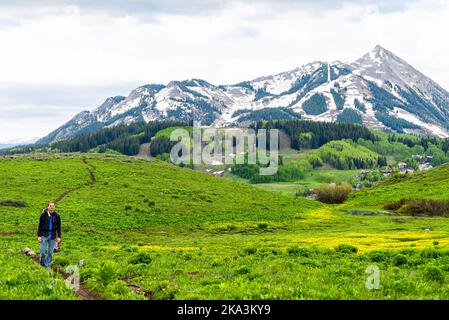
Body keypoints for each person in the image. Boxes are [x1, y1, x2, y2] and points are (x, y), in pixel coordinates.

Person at [37, 203, 62, 269]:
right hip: (44, 235)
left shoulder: (57, 216)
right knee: (43, 251)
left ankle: (47, 264)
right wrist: (39, 236)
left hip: (52, 236)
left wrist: (59, 236)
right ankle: (42, 263)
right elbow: (39, 226)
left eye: (53, 206)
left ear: (54, 207)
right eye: (50, 206)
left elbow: (59, 227)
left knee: (50, 252)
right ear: (48, 207)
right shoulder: (43, 215)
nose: (51, 207)